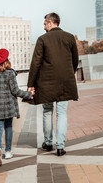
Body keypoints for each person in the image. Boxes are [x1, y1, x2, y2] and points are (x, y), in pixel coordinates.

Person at [27, 12, 78, 156]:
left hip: (47, 83)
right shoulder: (69, 37)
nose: (43, 27)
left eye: (44, 24)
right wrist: (69, 74)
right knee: (62, 113)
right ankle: (60, 146)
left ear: (50, 23)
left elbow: (35, 63)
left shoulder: (42, 39)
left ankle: (48, 143)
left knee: (47, 111)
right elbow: (75, 60)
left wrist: (31, 83)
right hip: (65, 82)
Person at [0, 48, 34, 166]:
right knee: (8, 128)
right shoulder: (10, 73)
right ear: (6, 61)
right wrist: (29, 94)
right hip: (8, 106)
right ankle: (7, 152)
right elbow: (15, 90)